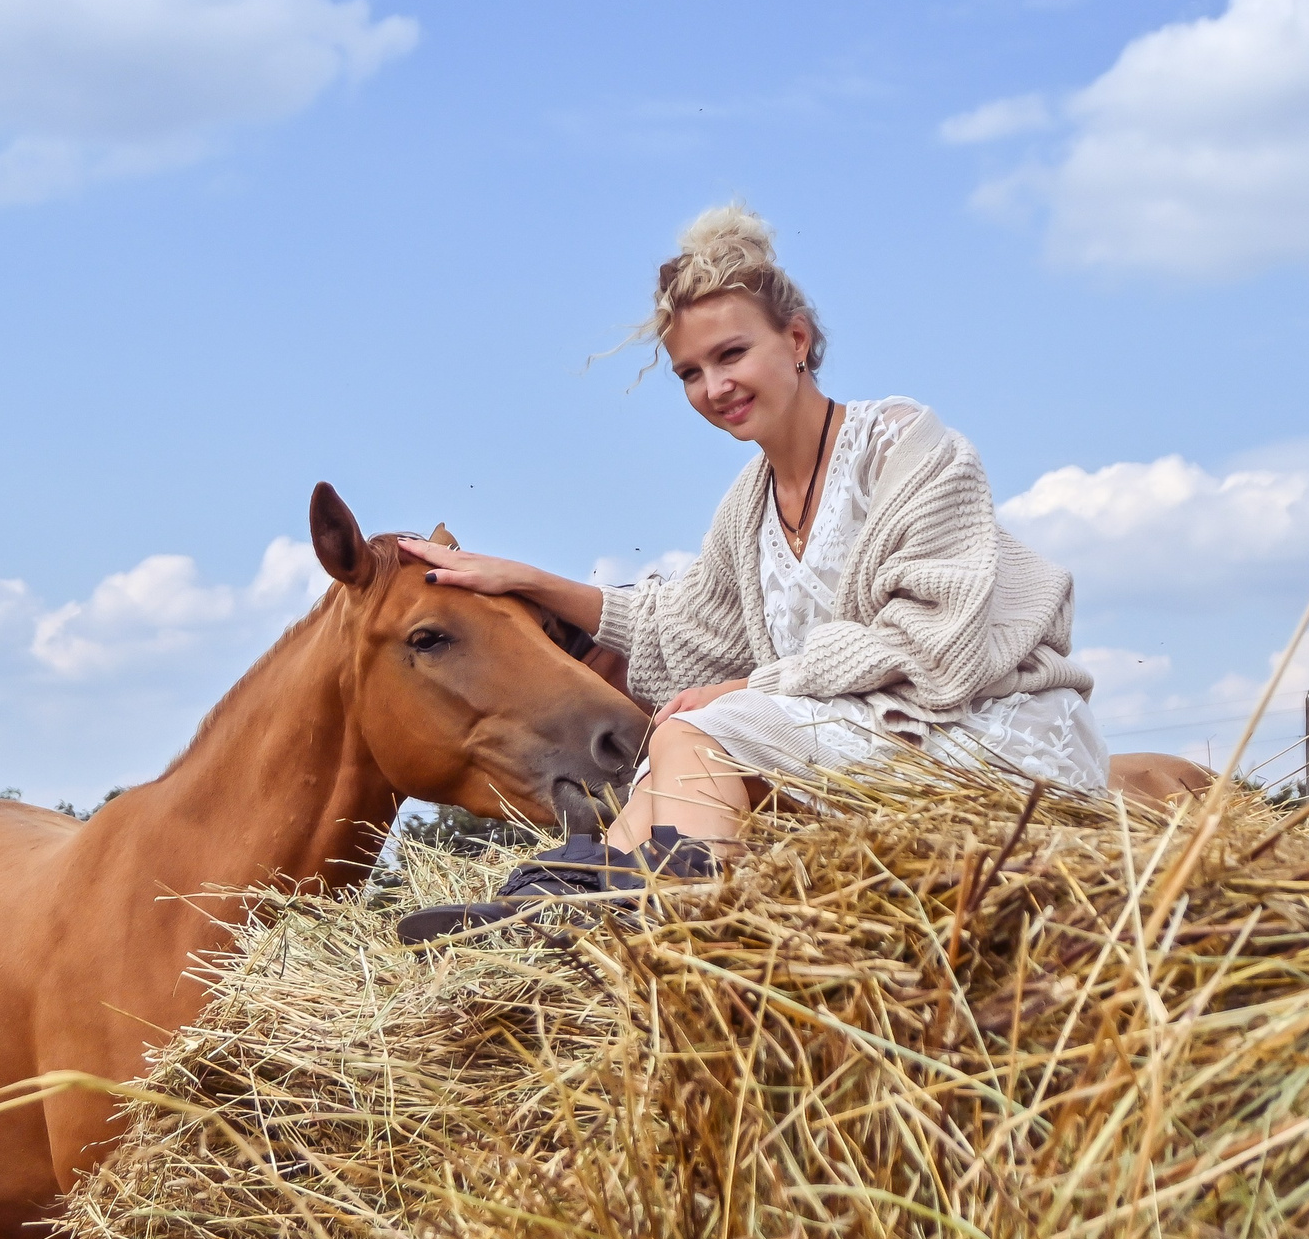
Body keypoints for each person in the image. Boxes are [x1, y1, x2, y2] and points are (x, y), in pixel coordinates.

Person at [393, 204, 1111, 936]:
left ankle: (686, 930)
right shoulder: (749, 504)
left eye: (731, 354)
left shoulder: (903, 448)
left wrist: (747, 686)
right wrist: (526, 580)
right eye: (690, 373)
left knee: (696, 732)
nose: (713, 387)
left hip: (984, 735)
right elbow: (676, 630)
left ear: (796, 339)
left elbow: (934, 648)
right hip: (873, 736)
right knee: (662, 761)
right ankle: (564, 912)